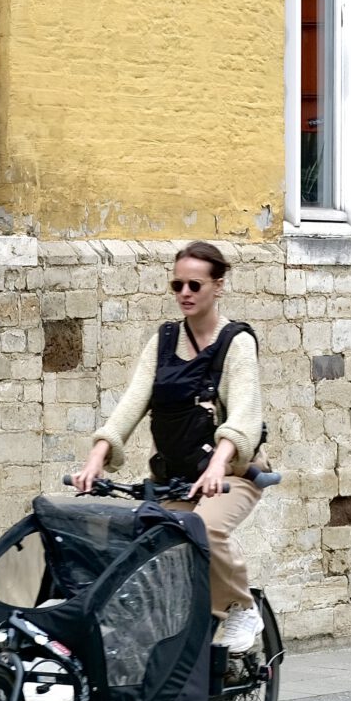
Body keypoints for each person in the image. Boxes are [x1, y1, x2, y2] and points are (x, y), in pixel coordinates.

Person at [72, 240, 266, 655]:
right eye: (177, 285)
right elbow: (131, 404)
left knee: (206, 528)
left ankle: (242, 607)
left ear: (218, 285)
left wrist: (219, 464)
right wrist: (96, 457)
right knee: (149, 543)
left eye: (195, 285)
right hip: (176, 478)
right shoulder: (163, 340)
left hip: (233, 475)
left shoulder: (236, 342)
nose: (185, 293)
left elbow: (245, 415)